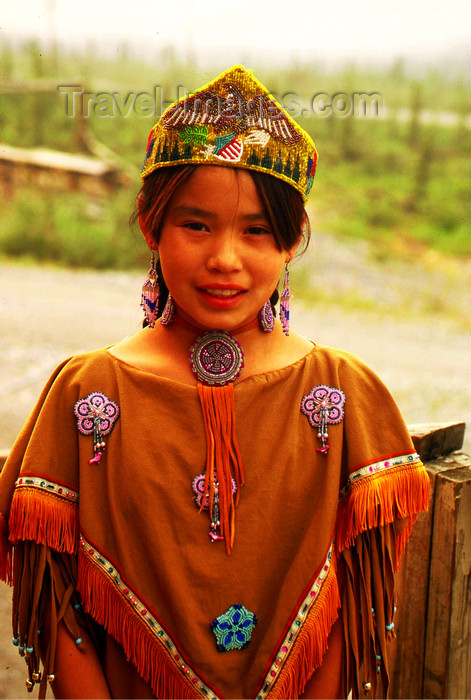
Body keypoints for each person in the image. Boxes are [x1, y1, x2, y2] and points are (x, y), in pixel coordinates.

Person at [0, 65, 429, 699]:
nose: (224, 258)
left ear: (292, 242)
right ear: (152, 227)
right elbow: (55, 605)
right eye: (196, 225)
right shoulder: (88, 391)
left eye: (256, 230)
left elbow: (358, 603)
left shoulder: (344, 394)